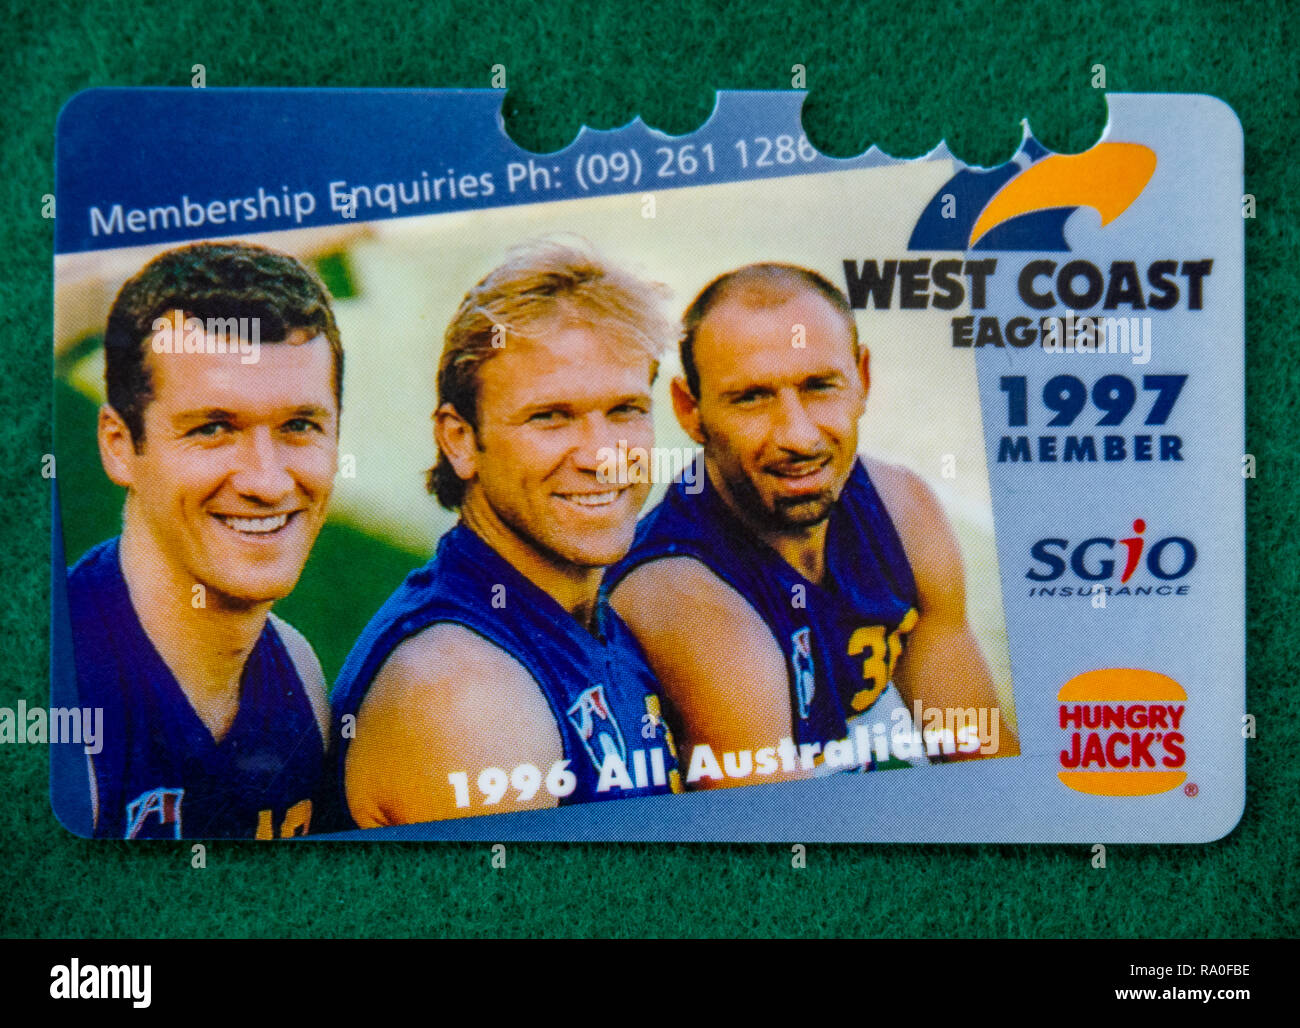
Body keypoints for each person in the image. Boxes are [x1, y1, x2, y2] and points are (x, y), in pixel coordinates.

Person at [608, 263, 1017, 790]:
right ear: (691, 410)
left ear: (862, 379)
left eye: (820, 386)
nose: (798, 436)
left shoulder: (902, 509)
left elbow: (981, 760)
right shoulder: (685, 597)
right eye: (752, 397)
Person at [329, 239, 681, 829]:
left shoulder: (585, 615)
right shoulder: (464, 693)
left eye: (624, 411)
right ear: (460, 440)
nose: (604, 456)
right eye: (550, 416)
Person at [66, 241, 341, 838]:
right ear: (119, 445)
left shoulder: (296, 670)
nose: (267, 481)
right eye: (213, 428)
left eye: (300, 425)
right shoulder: (57, 697)